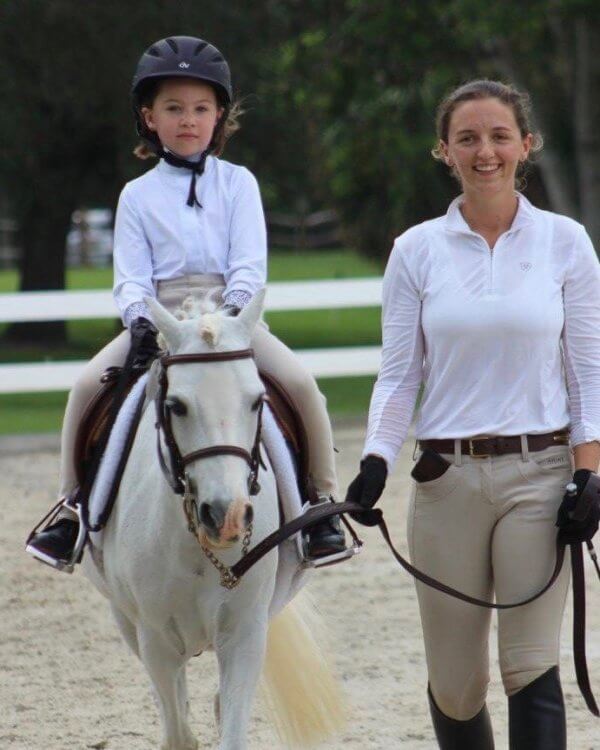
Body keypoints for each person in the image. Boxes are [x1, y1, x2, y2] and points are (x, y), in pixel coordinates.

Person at [27, 35, 346, 571]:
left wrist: (231, 318)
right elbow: (130, 279)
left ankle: (320, 507)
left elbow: (248, 265)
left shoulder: (239, 184)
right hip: (161, 322)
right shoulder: (137, 195)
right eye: (174, 109)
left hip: (232, 318)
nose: (188, 120)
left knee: (300, 385)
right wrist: (143, 322)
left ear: (219, 115)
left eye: (200, 109)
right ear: (150, 118)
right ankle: (73, 510)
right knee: (85, 388)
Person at [346, 79, 600, 749]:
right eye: (467, 138)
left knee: (529, 665)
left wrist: (589, 472)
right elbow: (400, 375)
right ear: (445, 151)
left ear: (526, 145)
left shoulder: (566, 243)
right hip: (445, 481)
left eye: (498, 136)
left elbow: (588, 370)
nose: (484, 151)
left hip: (540, 477)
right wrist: (375, 458)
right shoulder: (417, 251)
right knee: (456, 683)